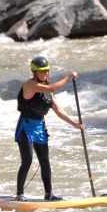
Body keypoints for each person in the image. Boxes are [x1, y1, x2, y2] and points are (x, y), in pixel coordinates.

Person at [14, 56, 83, 201]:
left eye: (47, 71)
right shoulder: (30, 85)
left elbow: (59, 111)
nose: (45, 73)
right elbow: (51, 87)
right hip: (26, 126)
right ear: (34, 72)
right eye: (42, 71)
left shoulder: (47, 91)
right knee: (27, 160)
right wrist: (69, 77)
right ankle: (19, 194)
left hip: (39, 127)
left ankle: (49, 194)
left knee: (45, 161)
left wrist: (74, 124)